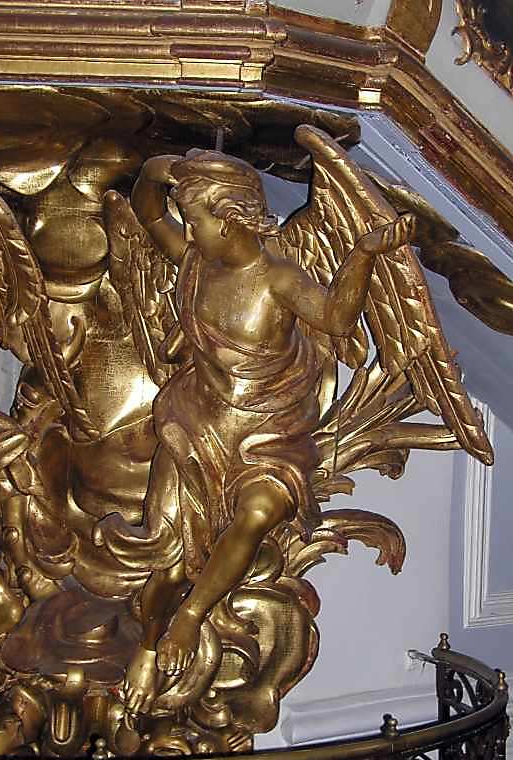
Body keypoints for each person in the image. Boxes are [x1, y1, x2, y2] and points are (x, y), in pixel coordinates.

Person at [93, 149, 415, 713]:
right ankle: (147, 646)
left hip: (269, 434)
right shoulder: (196, 262)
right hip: (197, 426)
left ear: (229, 220)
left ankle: (190, 619)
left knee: (259, 512)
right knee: (166, 559)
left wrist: (364, 253)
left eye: (196, 220)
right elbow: (149, 212)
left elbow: (337, 318)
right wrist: (154, 169)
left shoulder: (279, 279)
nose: (188, 231)